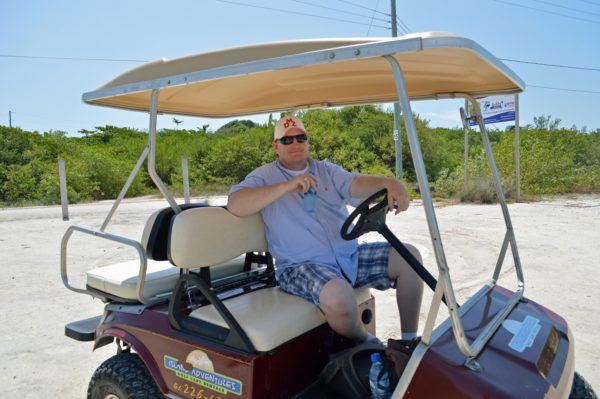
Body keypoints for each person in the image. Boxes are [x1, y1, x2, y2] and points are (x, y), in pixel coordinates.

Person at [227, 115, 423, 344]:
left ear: (308, 141)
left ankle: (409, 343)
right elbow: (236, 204)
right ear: (276, 146)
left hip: (347, 256)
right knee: (339, 296)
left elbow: (355, 183)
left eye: (301, 138)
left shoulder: (326, 170)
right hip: (301, 266)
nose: (295, 144)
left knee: (409, 257)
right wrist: (287, 186)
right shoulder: (264, 176)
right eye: (287, 140)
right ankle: (371, 345)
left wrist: (391, 183)